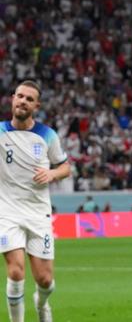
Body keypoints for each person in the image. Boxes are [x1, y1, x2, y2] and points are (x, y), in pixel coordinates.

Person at [0, 80, 71, 322]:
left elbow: (66, 167)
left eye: (29, 99)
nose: (23, 101)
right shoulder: (0, 132)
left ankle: (41, 305)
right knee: (16, 271)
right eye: (20, 96)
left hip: (38, 214)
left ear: (36, 106)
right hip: (6, 213)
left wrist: (51, 173)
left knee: (45, 280)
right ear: (12, 99)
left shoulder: (47, 135)